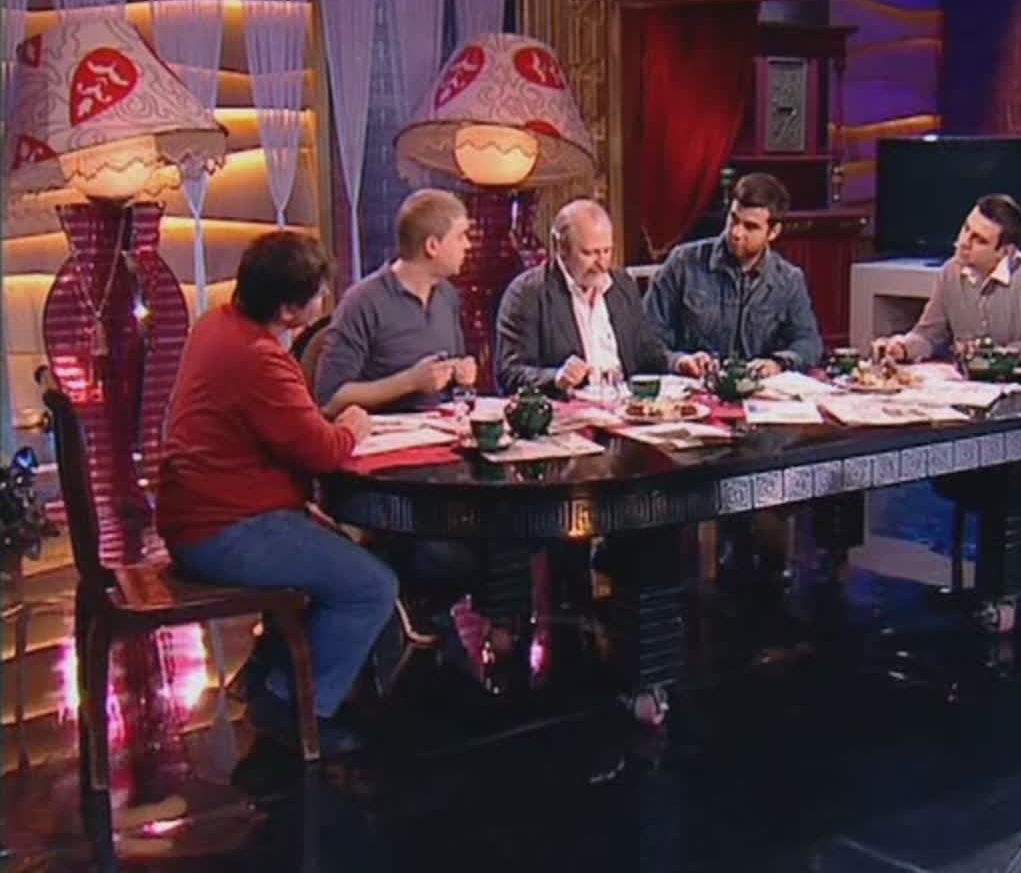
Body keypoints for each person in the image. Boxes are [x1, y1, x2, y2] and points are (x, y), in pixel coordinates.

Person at [157, 231, 396, 755]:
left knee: (347, 554)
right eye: (317, 293)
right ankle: (292, 705)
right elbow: (322, 451)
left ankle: (275, 671)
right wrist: (352, 427)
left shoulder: (216, 324)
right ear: (289, 310)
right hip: (223, 529)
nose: (324, 300)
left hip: (199, 514)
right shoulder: (257, 359)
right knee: (372, 586)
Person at [495, 198, 699, 394]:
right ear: (561, 248)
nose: (602, 264)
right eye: (590, 253)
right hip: (569, 410)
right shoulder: (527, 294)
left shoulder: (622, 285)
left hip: (623, 405)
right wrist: (557, 377)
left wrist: (678, 362)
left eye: (606, 251)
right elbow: (509, 372)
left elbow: (645, 352)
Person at [872, 194, 1021, 371]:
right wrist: (902, 347)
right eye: (966, 229)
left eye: (979, 240)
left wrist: (1011, 356)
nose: (964, 243)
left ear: (1005, 252)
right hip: (967, 391)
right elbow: (929, 335)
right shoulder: (950, 272)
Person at [314, 188, 477, 417]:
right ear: (432, 246)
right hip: (383, 433)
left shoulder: (447, 295)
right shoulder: (363, 302)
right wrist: (410, 381)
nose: (468, 245)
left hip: (441, 428)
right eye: (460, 236)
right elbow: (329, 400)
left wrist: (461, 374)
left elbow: (448, 377)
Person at [643, 172, 823, 378]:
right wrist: (679, 361)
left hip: (760, 390)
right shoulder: (684, 262)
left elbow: (809, 343)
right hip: (694, 387)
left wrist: (778, 363)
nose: (736, 232)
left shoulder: (789, 280)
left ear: (773, 232)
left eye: (750, 227)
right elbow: (647, 336)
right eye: (733, 219)